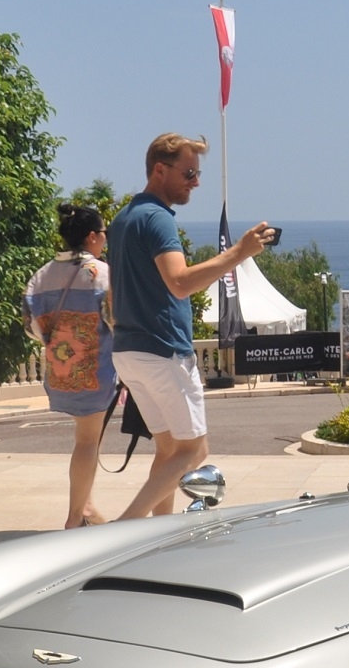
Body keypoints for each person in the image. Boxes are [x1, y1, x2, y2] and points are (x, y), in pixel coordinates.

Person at [107, 133, 278, 518]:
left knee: (169, 451)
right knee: (193, 452)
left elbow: (115, 295)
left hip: (130, 350)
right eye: (188, 173)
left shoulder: (124, 219)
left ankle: (157, 534)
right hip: (162, 351)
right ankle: (125, 528)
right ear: (159, 170)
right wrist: (239, 252)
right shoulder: (158, 219)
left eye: (197, 174)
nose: (195, 182)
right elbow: (180, 283)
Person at [26, 200, 119, 528]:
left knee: (86, 441)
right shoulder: (101, 274)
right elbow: (115, 321)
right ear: (92, 237)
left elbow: (32, 327)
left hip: (60, 370)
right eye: (104, 233)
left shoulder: (41, 276)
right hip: (95, 371)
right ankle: (75, 517)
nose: (106, 238)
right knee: (87, 442)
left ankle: (88, 509)